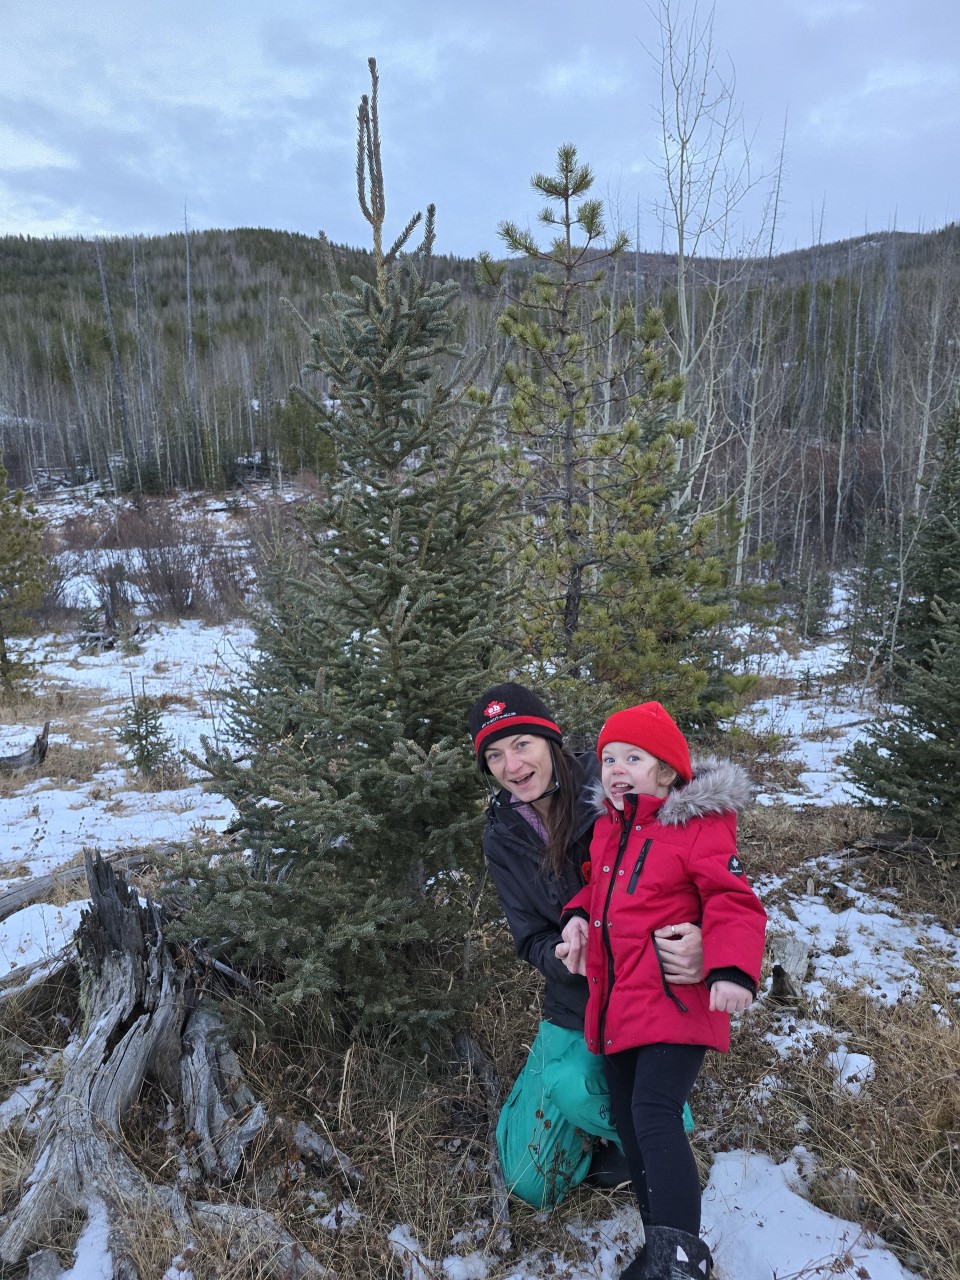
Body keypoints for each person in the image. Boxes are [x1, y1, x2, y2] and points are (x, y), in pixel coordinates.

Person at [467, 683, 705, 1209]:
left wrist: (703, 941)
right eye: (494, 755)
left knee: (598, 1098)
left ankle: (655, 1124)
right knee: (531, 1180)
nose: (512, 764)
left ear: (551, 741)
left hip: (648, 994)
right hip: (575, 999)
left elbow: (708, 861)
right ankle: (592, 1109)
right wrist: (558, 954)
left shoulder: (616, 783)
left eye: (522, 744)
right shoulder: (502, 833)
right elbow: (529, 936)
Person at [559, 701, 767, 1280]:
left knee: (654, 1114)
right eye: (608, 758)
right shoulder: (608, 829)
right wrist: (575, 919)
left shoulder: (695, 827)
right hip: (620, 1005)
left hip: (675, 1002)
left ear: (669, 771)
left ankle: (681, 1263)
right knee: (629, 1123)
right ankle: (659, 1250)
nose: (617, 768)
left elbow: (734, 902)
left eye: (633, 757)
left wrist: (730, 970)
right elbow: (596, 895)